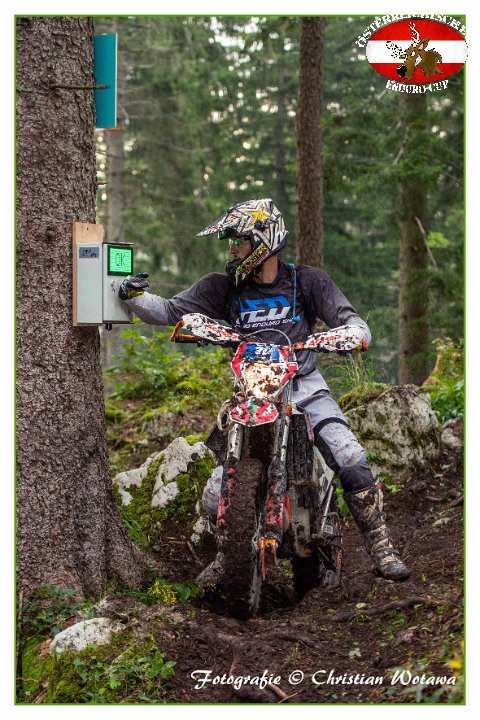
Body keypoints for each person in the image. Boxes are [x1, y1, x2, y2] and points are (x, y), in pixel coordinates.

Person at [119, 198, 410, 585]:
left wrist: (346, 335)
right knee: (215, 493)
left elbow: (353, 322)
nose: (232, 250)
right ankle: (228, 555)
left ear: (262, 241)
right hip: (251, 393)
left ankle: (382, 548)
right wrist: (133, 296)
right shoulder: (222, 287)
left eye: (238, 242)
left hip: (304, 387)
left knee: (350, 456)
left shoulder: (307, 281)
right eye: (231, 243)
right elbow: (171, 312)